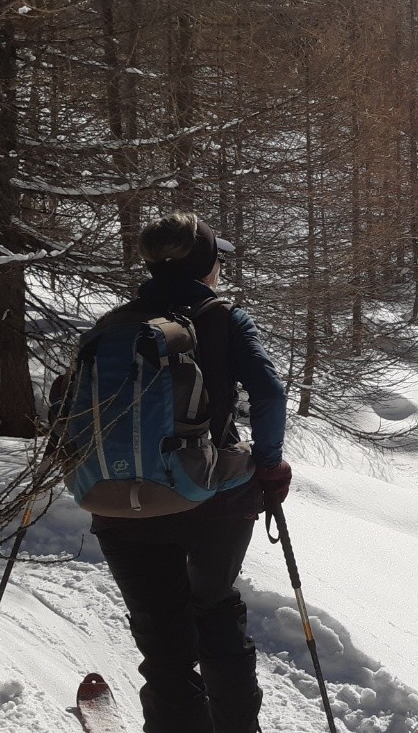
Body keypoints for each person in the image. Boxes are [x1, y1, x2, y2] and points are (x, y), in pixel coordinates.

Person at [94, 212, 291, 733]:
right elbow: (270, 394)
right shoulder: (224, 319)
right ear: (206, 265)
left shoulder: (115, 324)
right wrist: (268, 467)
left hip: (124, 504)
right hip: (213, 501)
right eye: (217, 258)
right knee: (215, 612)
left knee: (163, 644)